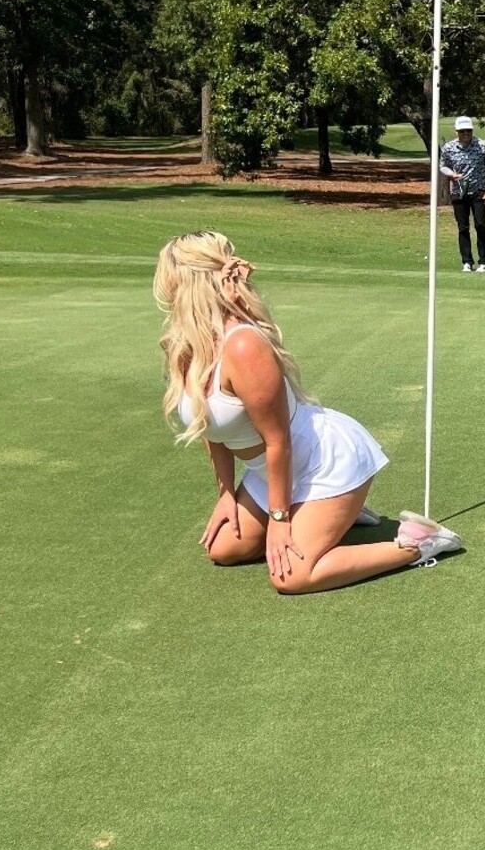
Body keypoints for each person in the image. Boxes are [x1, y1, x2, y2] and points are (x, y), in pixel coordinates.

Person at [153, 230, 463, 593]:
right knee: (223, 549)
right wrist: (225, 494)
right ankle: (332, 515)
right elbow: (210, 429)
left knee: (291, 577)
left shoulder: (243, 345)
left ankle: (420, 543)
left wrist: (280, 518)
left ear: (189, 284)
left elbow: (278, 441)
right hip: (272, 472)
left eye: (169, 281)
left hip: (323, 461)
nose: (165, 292)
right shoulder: (186, 347)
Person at [440, 115, 485, 272]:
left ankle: (483, 262)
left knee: (480, 225)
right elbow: (442, 166)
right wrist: (451, 174)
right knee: (463, 227)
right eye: (462, 131)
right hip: (459, 192)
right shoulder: (449, 148)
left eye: (469, 131)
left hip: (479, 191)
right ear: (457, 132)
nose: (466, 134)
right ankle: (467, 262)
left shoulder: (482, 146)